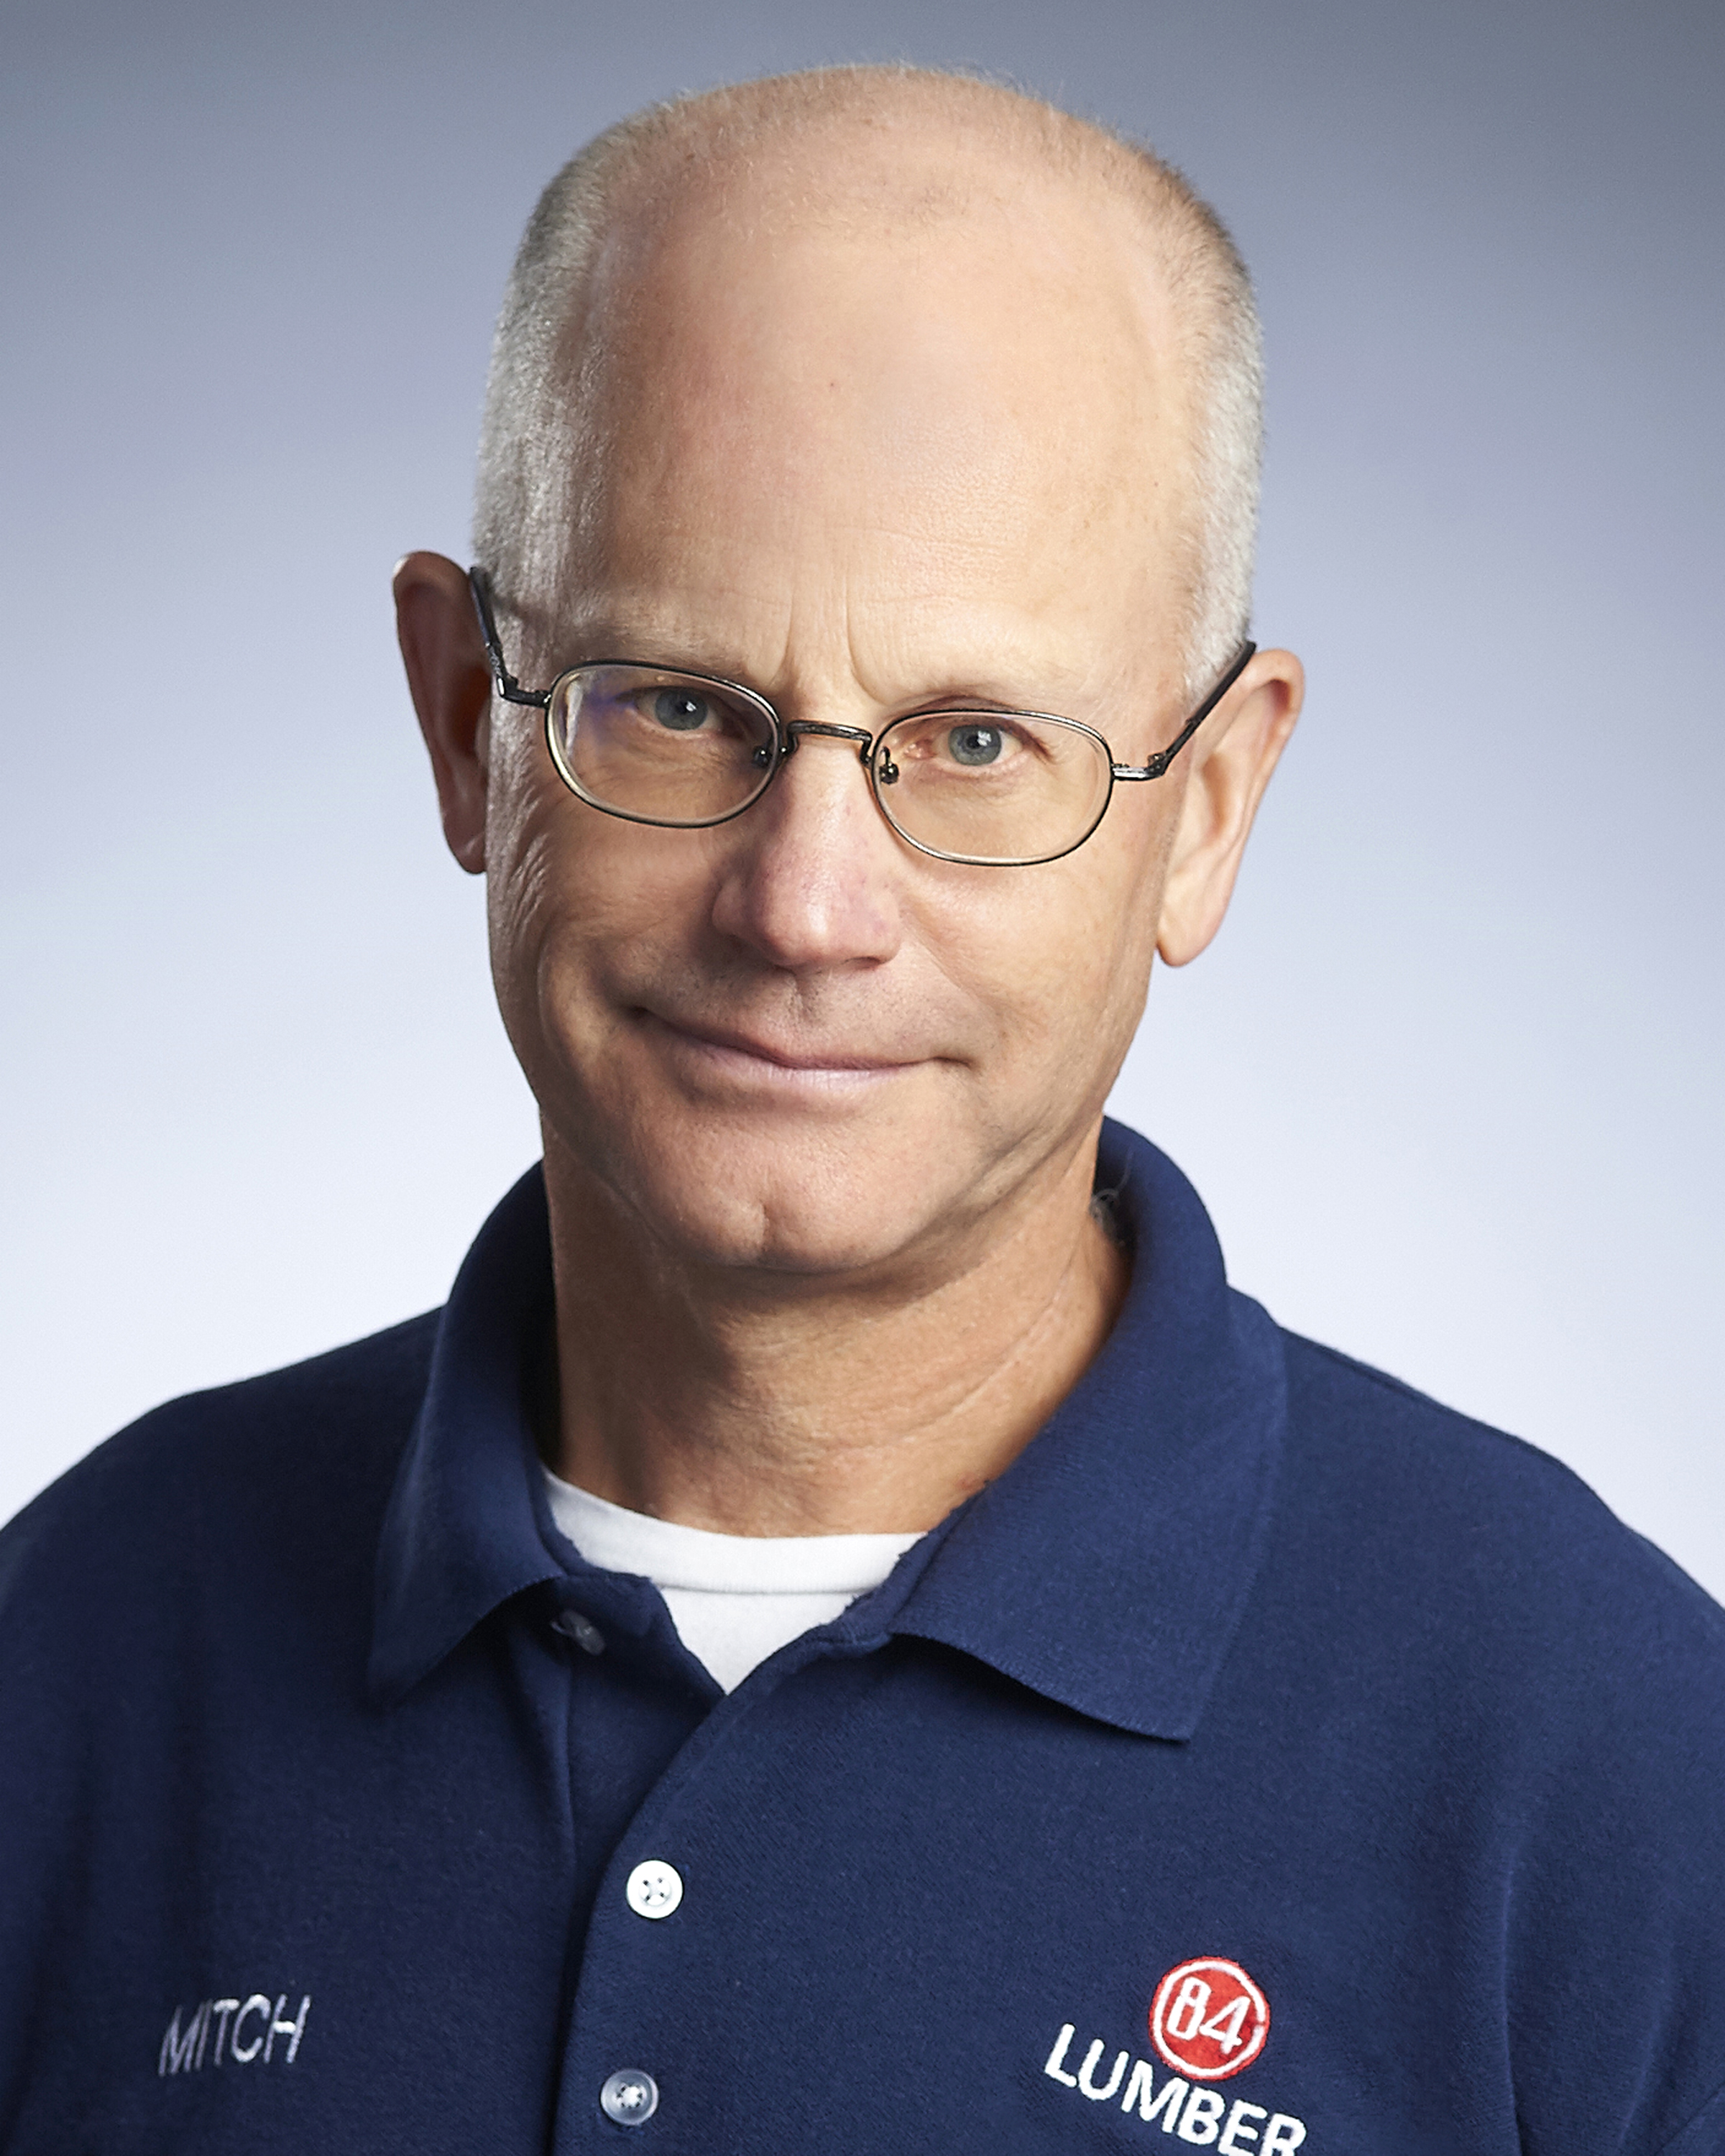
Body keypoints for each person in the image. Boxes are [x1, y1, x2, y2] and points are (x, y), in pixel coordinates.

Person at [1, 62, 1721, 2156]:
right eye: (676, 703)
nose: (805, 907)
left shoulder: (1616, 1777)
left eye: (978, 741)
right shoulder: (73, 1652)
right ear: (466, 723)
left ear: (1208, 811)